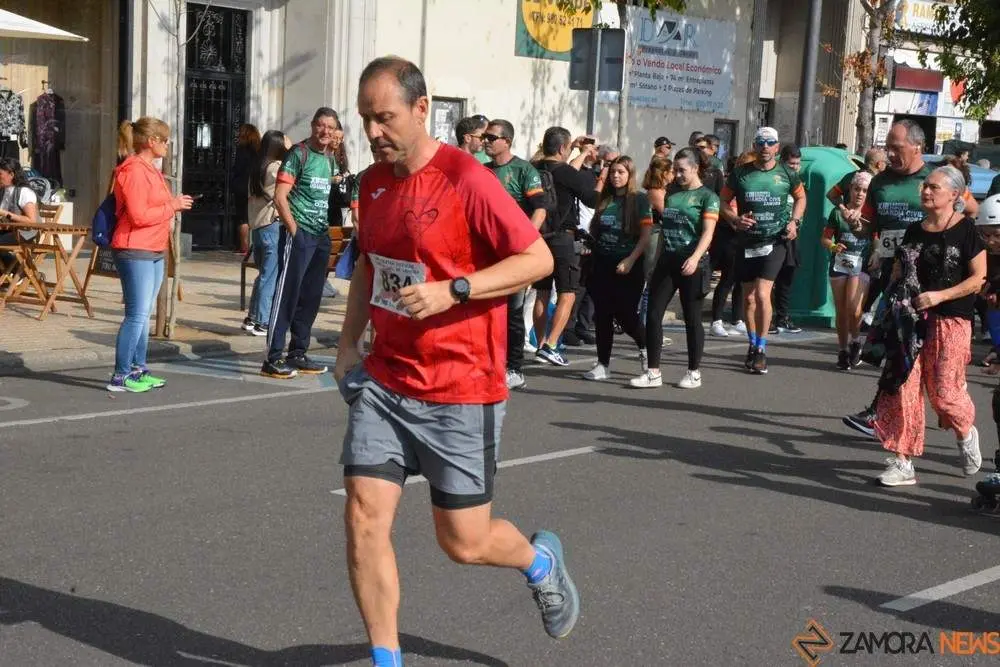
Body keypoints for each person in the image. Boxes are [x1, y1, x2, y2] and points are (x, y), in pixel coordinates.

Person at [333, 56, 577, 667]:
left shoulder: (467, 177)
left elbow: (536, 261)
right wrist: (346, 344)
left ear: (421, 108)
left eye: (383, 117)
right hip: (387, 379)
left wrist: (455, 289)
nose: (372, 132)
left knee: (463, 544)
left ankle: (539, 560)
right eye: (365, 119)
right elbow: (369, 264)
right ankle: (386, 659)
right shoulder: (373, 182)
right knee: (363, 516)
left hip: (461, 386)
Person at [867, 165, 985, 486]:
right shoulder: (913, 230)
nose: (926, 191)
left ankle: (965, 431)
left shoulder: (967, 231)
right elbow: (899, 271)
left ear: (954, 195)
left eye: (934, 187)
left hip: (951, 321)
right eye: (925, 187)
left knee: (944, 393)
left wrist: (940, 296)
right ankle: (902, 461)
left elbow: (978, 279)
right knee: (902, 386)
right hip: (911, 323)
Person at [843, 122, 938, 437]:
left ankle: (947, 416)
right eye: (888, 146)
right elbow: (868, 227)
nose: (890, 153)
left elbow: (966, 217)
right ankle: (882, 414)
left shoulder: (935, 180)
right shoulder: (880, 182)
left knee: (923, 360)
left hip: (930, 280)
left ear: (917, 147)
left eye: (896, 147)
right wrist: (856, 222)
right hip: (893, 277)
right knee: (898, 347)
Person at [107, 117, 193, 392]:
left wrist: (171, 205)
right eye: (164, 139)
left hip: (154, 247)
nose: (168, 145)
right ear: (151, 141)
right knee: (136, 315)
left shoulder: (150, 169)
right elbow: (138, 215)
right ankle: (120, 375)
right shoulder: (133, 170)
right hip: (135, 248)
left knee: (143, 315)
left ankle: (138, 368)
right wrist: (173, 206)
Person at [261, 107, 342, 379]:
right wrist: (294, 230)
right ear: (312, 125)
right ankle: (273, 358)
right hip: (299, 233)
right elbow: (280, 196)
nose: (325, 132)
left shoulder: (328, 158)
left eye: (330, 128)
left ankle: (298, 352)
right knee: (288, 295)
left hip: (320, 236)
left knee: (310, 297)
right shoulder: (299, 153)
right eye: (321, 126)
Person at [720, 127, 807, 375]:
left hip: (775, 241)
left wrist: (795, 222)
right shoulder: (740, 174)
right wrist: (735, 220)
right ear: (755, 146)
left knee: (761, 294)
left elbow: (801, 198)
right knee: (748, 299)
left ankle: (761, 349)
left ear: (777, 147)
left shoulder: (787, 173)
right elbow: (722, 201)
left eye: (770, 143)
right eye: (761, 142)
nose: (765, 147)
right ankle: (752, 343)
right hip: (747, 243)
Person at [631, 147, 719, 389]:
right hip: (667, 261)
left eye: (682, 170)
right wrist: (655, 261)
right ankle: (653, 372)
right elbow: (666, 231)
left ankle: (693, 372)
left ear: (695, 168)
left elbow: (708, 233)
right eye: (675, 170)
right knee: (653, 314)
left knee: (692, 319)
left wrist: (695, 258)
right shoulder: (671, 193)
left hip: (693, 263)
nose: (677, 175)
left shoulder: (708, 197)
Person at [484, 118, 547, 390]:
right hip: (487, 251)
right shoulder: (483, 171)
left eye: (491, 137)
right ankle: (489, 363)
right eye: (484, 136)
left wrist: (524, 243)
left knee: (513, 310)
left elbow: (541, 209)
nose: (485, 141)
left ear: (506, 141)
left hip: (515, 252)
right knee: (486, 309)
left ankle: (514, 368)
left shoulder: (524, 170)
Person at [531, 127, 600, 366]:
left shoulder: (534, 168)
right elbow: (592, 198)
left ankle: (540, 344)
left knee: (541, 292)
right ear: (563, 148)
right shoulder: (567, 173)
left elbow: (560, 164)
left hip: (538, 236)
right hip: (562, 237)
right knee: (567, 292)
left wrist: (577, 149)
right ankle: (551, 345)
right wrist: (602, 176)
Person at [582, 155, 652, 381]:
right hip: (603, 263)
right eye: (612, 172)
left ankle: (646, 348)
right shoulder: (605, 199)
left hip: (629, 264)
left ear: (629, 174)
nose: (615, 176)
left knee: (626, 316)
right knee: (602, 315)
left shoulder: (639, 200)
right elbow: (598, 231)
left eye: (621, 172)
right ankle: (602, 364)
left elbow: (645, 236)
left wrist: (631, 259)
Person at [821, 170, 872, 369]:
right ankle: (843, 350)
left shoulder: (870, 214)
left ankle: (856, 341)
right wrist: (833, 246)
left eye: (864, 191)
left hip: (861, 266)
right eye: (857, 189)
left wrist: (876, 254)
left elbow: (876, 239)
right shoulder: (837, 213)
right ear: (849, 190)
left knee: (853, 307)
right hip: (839, 264)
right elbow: (825, 238)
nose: (860, 194)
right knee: (841, 310)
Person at [242, 130, 289, 336]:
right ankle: (262, 321)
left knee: (263, 275)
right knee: (270, 276)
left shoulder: (256, 167)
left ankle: (252, 318)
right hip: (272, 225)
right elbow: (282, 193)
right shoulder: (275, 168)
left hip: (258, 228)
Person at [708, 151, 754, 338]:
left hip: (743, 238)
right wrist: (737, 221)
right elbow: (726, 208)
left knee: (740, 281)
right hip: (727, 237)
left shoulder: (752, 186)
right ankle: (716, 320)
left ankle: (737, 319)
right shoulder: (733, 184)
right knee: (727, 279)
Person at [770, 143, 805, 335]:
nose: (795, 167)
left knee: (786, 278)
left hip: (791, 238)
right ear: (782, 162)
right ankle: (768, 319)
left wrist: (795, 224)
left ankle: (782, 317)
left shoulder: (798, 182)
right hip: (772, 237)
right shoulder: (775, 179)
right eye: (791, 164)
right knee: (768, 280)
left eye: (797, 164)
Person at [231, 123, 261, 254]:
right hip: (255, 187)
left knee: (242, 218)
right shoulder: (259, 151)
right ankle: (253, 246)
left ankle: (244, 247)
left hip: (242, 187)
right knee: (253, 217)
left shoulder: (241, 150)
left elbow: (237, 169)